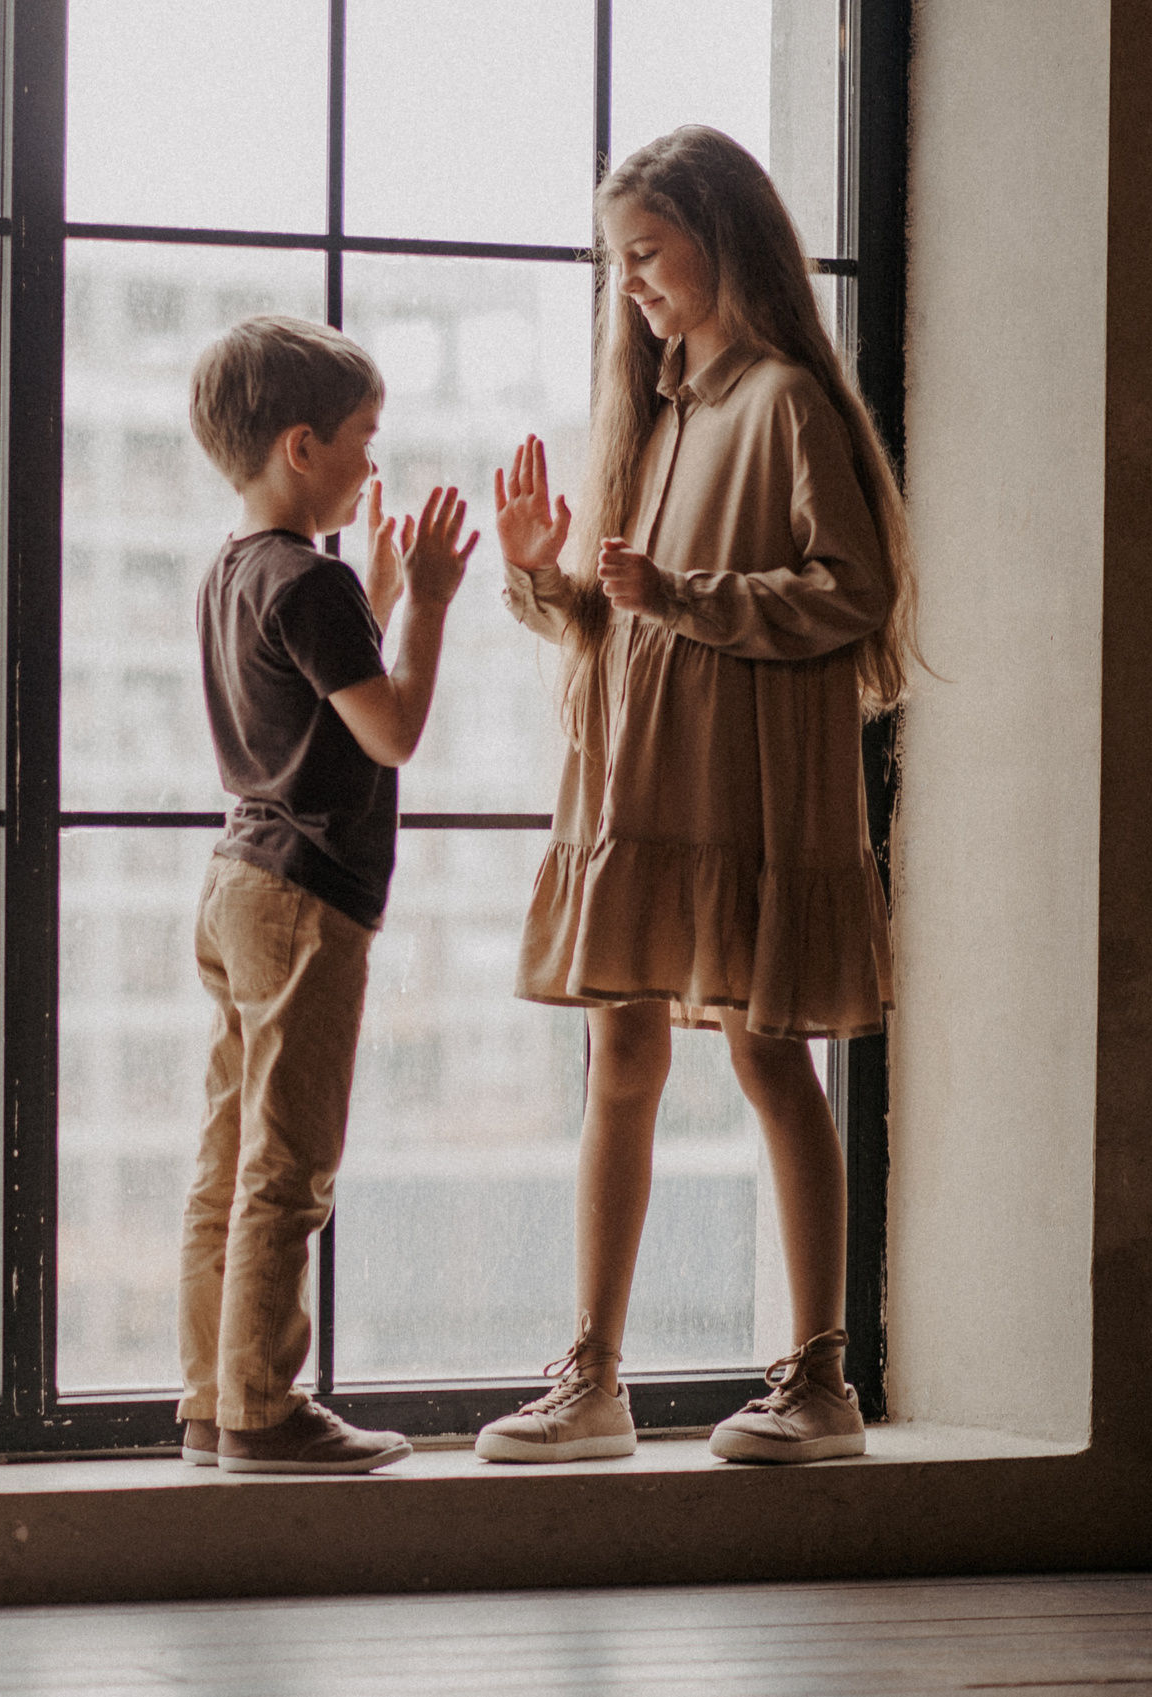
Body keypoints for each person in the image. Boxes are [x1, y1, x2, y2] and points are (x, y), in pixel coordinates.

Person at [472, 126, 921, 1467]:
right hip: (637, 790)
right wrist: (545, 579)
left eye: (649, 256)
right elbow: (631, 630)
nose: (635, 286)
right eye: (621, 264)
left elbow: (852, 594)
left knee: (770, 1052)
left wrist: (678, 593)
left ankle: (821, 1380)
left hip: (746, 796)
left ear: (723, 243)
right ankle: (595, 1376)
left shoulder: (782, 400)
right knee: (621, 1055)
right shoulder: (660, 413)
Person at [177, 314, 479, 1474]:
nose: (373, 460)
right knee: (289, 1163)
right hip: (306, 893)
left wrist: (383, 589)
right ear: (300, 446)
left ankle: (210, 1398)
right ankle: (265, 1406)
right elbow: (391, 731)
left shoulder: (236, 568)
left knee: (226, 1153)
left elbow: (310, 696)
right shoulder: (312, 584)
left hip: (235, 881)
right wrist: (433, 601)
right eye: (362, 436)